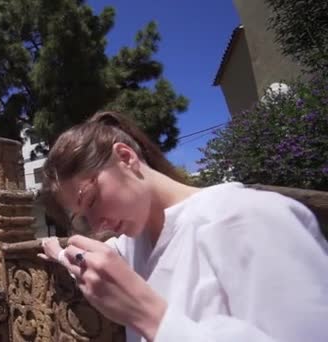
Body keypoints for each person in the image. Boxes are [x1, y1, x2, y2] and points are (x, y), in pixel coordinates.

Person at [38, 111, 328, 342]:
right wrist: (58, 252)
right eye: (82, 217)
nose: (97, 224)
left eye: (91, 199)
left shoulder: (251, 218)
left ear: (126, 157)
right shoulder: (131, 246)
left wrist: (150, 317)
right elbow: (85, 262)